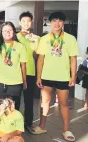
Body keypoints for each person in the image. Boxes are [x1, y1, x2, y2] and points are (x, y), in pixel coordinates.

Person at [33, 12, 77, 142]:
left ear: (63, 22)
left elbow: (73, 59)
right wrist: (38, 77)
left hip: (63, 76)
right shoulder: (44, 39)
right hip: (47, 76)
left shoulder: (70, 39)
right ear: (50, 22)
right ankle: (42, 126)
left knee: (63, 103)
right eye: (54, 21)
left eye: (60, 21)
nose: (57, 24)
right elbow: (40, 59)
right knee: (45, 102)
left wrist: (72, 76)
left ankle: (66, 129)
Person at [0, 22, 27, 114]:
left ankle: (12, 128)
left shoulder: (20, 47)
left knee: (13, 109)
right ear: (1, 32)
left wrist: (24, 81)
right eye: (5, 30)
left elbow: (23, 66)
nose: (7, 32)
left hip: (15, 83)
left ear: (14, 31)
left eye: (10, 30)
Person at [16, 11, 40, 132]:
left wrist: (35, 42)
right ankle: (14, 123)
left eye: (28, 21)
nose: (26, 23)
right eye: (24, 21)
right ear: (20, 22)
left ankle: (28, 123)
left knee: (29, 100)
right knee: (15, 99)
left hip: (30, 72)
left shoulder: (35, 38)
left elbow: (36, 56)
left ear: (31, 23)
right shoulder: (15, 37)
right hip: (16, 72)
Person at [81, 47, 88, 111]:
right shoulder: (85, 61)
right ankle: (86, 103)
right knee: (87, 92)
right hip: (87, 78)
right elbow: (83, 70)